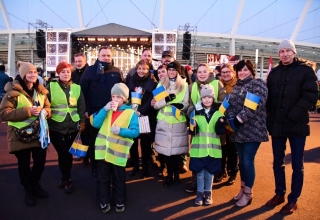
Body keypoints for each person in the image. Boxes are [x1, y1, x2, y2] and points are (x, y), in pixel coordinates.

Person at [265, 40, 318, 215]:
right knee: (277, 163)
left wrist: (293, 115)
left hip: (297, 125)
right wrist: (269, 119)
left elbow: (310, 96)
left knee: (297, 165)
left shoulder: (305, 71)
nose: (285, 54)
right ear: (279, 54)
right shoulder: (274, 73)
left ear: (294, 52)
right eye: (282, 51)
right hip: (277, 125)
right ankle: (279, 193)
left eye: (288, 51)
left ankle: (293, 199)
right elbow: (269, 99)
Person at [0, 61, 51, 206]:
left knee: (40, 162)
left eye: (35, 72)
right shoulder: (12, 93)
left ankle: (34, 184)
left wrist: (46, 112)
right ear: (23, 75)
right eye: (29, 72)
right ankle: (28, 189)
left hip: (38, 133)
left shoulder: (41, 91)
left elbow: (48, 107)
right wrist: (28, 111)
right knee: (24, 164)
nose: (33, 74)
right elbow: (4, 113)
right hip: (19, 135)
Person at [226, 59, 268, 207]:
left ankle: (248, 194)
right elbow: (230, 104)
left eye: (245, 70)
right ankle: (242, 189)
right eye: (240, 70)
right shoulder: (237, 86)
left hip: (253, 130)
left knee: (247, 161)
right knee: (242, 162)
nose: (242, 72)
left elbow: (254, 105)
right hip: (237, 131)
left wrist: (238, 119)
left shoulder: (258, 84)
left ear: (251, 70)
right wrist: (231, 118)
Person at [92, 83, 139, 213]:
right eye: (113, 96)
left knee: (119, 180)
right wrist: (105, 109)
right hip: (103, 153)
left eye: (118, 97)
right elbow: (96, 124)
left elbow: (135, 132)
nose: (115, 100)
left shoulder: (131, 113)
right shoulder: (107, 110)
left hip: (118, 154)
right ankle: (104, 201)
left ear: (124, 99)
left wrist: (120, 131)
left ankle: (119, 201)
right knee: (103, 179)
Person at [80, 46, 123, 177]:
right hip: (94, 113)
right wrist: (86, 110)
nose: (106, 58)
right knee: (95, 140)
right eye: (103, 55)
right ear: (98, 56)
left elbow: (122, 92)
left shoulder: (117, 72)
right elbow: (82, 92)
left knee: (111, 139)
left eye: (108, 55)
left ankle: (109, 163)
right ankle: (95, 166)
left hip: (113, 112)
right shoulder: (89, 71)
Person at [46, 62, 86, 194]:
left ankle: (65, 177)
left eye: (68, 71)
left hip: (73, 126)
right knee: (63, 152)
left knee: (67, 153)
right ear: (58, 73)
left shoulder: (77, 88)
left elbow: (81, 106)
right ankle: (67, 178)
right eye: (63, 71)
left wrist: (82, 121)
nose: (66, 74)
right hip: (56, 126)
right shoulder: (50, 86)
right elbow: (46, 104)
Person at [186, 63, 226, 192]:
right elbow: (189, 104)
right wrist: (193, 111)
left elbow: (223, 101)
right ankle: (195, 182)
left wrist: (211, 108)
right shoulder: (191, 86)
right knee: (197, 153)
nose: (202, 74)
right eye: (199, 72)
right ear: (196, 74)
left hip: (213, 123)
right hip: (198, 125)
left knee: (213, 153)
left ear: (209, 73)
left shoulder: (217, 83)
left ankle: (209, 183)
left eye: (204, 71)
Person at [154, 61, 189, 187]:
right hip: (164, 121)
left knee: (176, 151)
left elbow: (186, 104)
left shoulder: (184, 85)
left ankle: (176, 175)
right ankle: (169, 175)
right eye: (169, 70)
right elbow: (156, 105)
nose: (171, 72)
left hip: (178, 120)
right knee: (167, 152)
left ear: (178, 71)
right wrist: (167, 100)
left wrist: (180, 106)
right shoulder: (161, 84)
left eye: (174, 70)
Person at [125, 59, 157, 178]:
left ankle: (145, 168)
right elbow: (127, 95)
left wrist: (141, 111)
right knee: (133, 142)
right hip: (132, 115)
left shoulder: (152, 82)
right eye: (139, 68)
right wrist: (132, 110)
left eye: (144, 69)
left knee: (145, 144)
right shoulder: (131, 79)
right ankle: (135, 166)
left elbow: (152, 100)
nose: (141, 71)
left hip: (145, 116)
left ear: (148, 70)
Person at [220, 63, 239, 185]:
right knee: (222, 149)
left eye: (228, 71)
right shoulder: (219, 84)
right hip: (222, 121)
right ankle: (222, 171)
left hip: (233, 121)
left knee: (233, 150)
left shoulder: (238, 85)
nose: (226, 74)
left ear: (233, 72)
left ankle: (233, 172)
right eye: (223, 72)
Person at [71, 53, 89, 164]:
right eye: (76, 61)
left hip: (86, 107)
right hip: (75, 107)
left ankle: (86, 157)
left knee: (87, 134)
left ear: (85, 61)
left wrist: (87, 109)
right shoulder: (73, 74)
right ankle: (82, 154)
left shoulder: (89, 72)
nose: (78, 63)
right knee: (80, 132)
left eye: (80, 61)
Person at [151, 64, 167, 177]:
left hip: (172, 120)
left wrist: (157, 103)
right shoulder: (158, 86)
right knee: (161, 145)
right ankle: (163, 166)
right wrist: (154, 103)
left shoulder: (174, 85)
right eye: (159, 72)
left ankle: (171, 169)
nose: (161, 74)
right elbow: (156, 103)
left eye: (163, 71)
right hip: (160, 118)